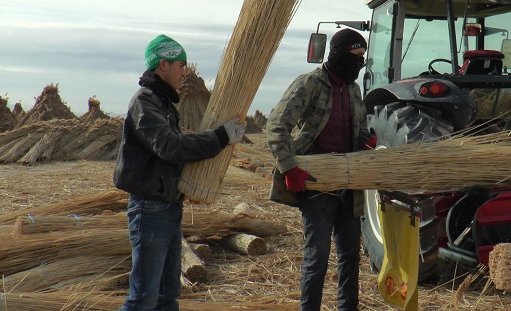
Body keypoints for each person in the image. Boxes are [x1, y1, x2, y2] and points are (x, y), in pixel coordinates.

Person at [114, 34, 246, 311]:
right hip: (150, 210)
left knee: (167, 294)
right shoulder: (145, 103)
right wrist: (220, 136)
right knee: (143, 297)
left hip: (167, 206)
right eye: (181, 64)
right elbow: (169, 146)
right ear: (163, 64)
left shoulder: (162, 103)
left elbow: (172, 151)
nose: (184, 72)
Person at [267, 28, 377, 311]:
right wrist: (290, 168)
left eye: (362, 58)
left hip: (349, 182)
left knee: (351, 256)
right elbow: (277, 127)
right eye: (354, 56)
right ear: (338, 54)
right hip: (316, 182)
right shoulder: (309, 84)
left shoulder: (353, 89)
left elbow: (361, 129)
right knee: (318, 257)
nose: (358, 63)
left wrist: (367, 141)